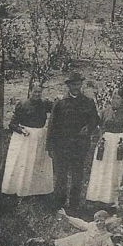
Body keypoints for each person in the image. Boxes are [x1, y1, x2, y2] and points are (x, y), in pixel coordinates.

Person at [46, 72, 100, 209]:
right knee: (61, 175)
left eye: (79, 84)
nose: (76, 87)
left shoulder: (88, 102)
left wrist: (88, 128)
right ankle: (60, 203)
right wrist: (49, 145)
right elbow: (52, 124)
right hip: (62, 146)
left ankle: (74, 204)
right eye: (74, 84)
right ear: (68, 86)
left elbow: (95, 120)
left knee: (77, 175)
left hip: (80, 146)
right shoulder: (60, 103)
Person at [2, 84, 54, 197]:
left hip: (40, 136)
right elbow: (12, 124)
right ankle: (21, 189)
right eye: (34, 92)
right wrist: (20, 130)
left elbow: (57, 110)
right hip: (25, 138)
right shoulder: (22, 104)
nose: (37, 94)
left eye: (39, 92)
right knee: (24, 163)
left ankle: (37, 191)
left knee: (38, 163)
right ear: (30, 91)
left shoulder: (45, 104)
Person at [87, 92, 123, 205]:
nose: (114, 100)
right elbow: (100, 126)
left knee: (115, 169)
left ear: (122, 100)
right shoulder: (105, 111)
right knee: (102, 168)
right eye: (113, 98)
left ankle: (113, 198)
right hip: (106, 143)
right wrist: (101, 137)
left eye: (118, 98)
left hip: (119, 142)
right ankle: (98, 196)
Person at [27, 209, 116, 246]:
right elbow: (81, 223)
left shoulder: (106, 236)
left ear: (106, 221)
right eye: (97, 221)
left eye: (102, 221)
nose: (99, 223)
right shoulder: (92, 225)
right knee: (60, 242)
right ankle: (42, 241)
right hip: (79, 238)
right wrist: (67, 217)